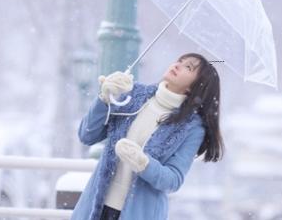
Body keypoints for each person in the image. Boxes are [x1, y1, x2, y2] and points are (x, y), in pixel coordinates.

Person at [71, 53, 224, 220]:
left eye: (188, 67)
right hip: (95, 208)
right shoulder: (134, 95)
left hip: (141, 214)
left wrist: (143, 163)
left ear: (194, 86)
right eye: (179, 61)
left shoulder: (191, 128)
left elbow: (173, 180)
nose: (177, 65)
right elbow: (87, 135)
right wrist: (105, 99)